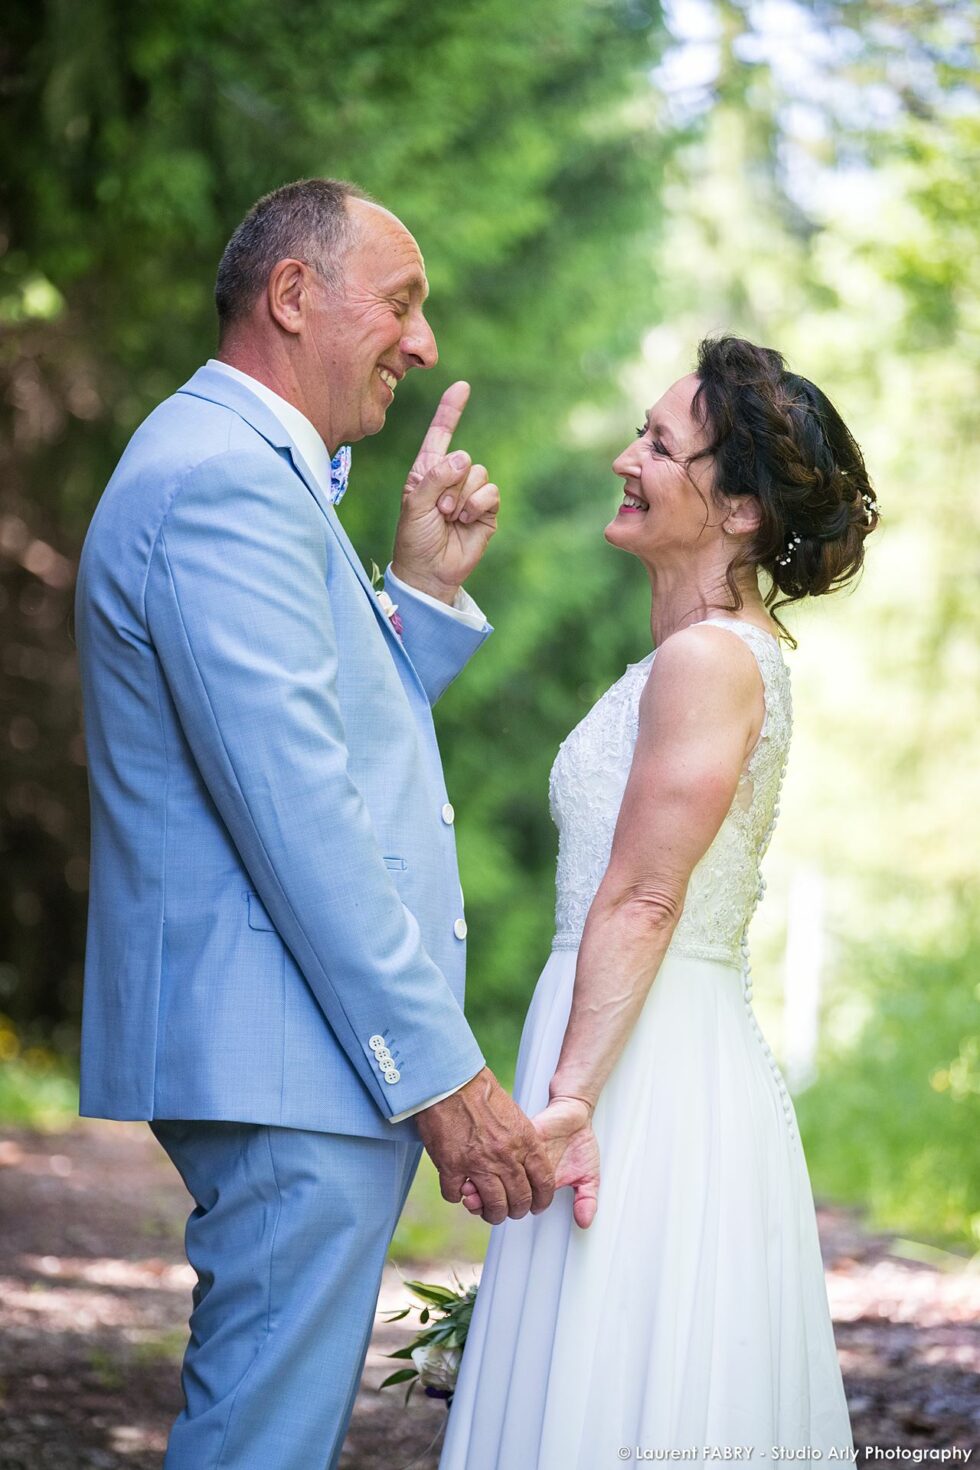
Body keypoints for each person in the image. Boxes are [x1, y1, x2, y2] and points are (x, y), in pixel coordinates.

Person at [74, 177, 555, 1470]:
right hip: (289, 1054)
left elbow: (309, 735)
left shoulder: (247, 473)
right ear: (294, 295)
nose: (424, 340)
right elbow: (297, 812)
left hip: (288, 1049)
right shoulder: (226, 476)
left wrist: (417, 591)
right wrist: (443, 1074)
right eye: (401, 303)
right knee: (259, 1444)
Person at [441, 336, 877, 1467]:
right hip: (627, 1038)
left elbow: (641, 897)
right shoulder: (696, 657)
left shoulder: (709, 664)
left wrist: (570, 1102)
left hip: (644, 1070)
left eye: (659, 444)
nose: (625, 457)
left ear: (737, 509)